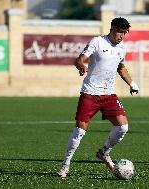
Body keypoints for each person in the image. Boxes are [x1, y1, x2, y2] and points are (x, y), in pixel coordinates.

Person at [57, 17, 139, 178]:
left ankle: (104, 152)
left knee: (123, 127)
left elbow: (121, 67)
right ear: (112, 28)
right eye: (119, 32)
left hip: (108, 94)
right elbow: (79, 59)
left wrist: (132, 83)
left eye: (124, 33)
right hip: (90, 93)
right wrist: (81, 65)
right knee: (80, 130)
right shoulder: (97, 42)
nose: (121, 36)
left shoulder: (122, 48)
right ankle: (65, 165)